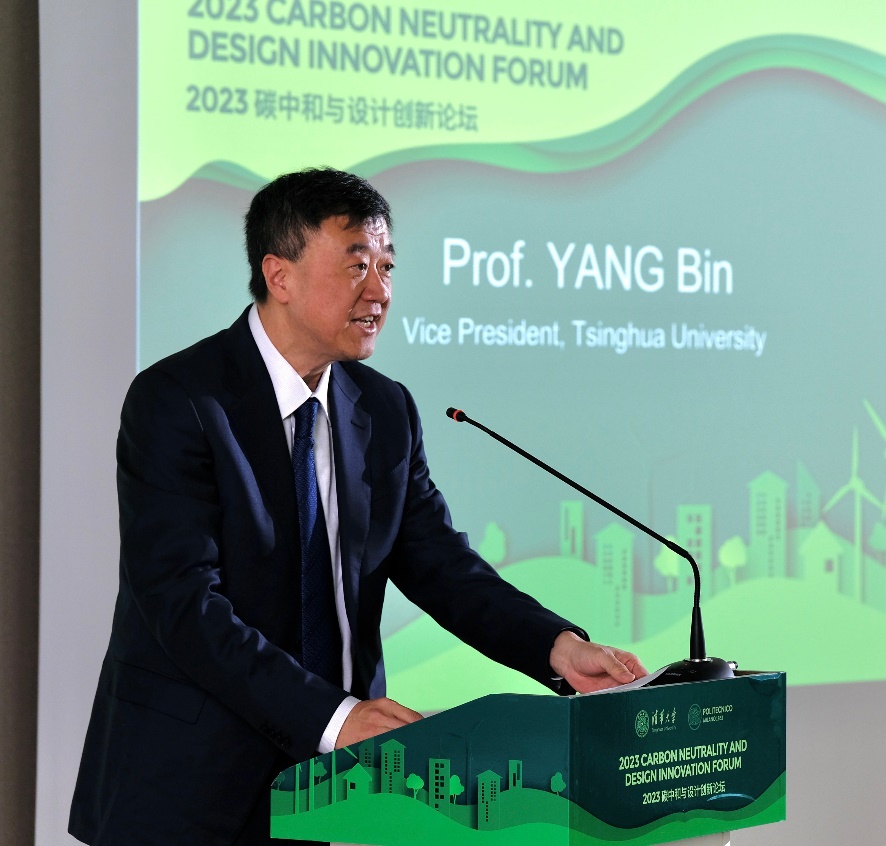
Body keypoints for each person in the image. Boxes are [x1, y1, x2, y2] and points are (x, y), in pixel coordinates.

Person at [69, 168, 647, 845]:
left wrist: (556, 648)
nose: (379, 291)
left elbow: (441, 566)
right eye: (355, 266)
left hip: (339, 791)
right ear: (279, 276)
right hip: (190, 787)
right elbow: (183, 605)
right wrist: (337, 718)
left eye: (387, 267)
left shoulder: (382, 407)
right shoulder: (180, 401)